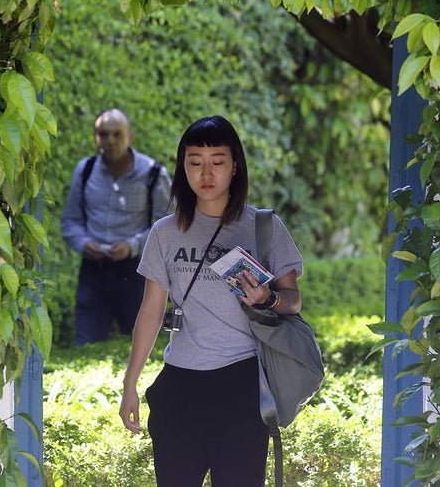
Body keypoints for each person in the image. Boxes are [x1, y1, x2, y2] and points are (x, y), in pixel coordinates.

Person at [119, 115, 305, 486]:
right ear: (182, 167)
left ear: (235, 166)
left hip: (243, 387)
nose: (206, 173)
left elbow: (294, 301)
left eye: (217, 161)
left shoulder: (263, 226)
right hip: (179, 388)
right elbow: (151, 311)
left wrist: (268, 298)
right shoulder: (165, 232)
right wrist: (130, 385)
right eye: (195, 162)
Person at [62, 108, 172, 345]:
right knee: (86, 344)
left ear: (129, 137)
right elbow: (70, 221)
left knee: (140, 346)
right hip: (93, 270)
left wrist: (132, 246)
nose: (110, 141)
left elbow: (168, 228)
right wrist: (84, 243)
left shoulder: (153, 173)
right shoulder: (85, 170)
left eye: (117, 134)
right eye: (103, 134)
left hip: (138, 271)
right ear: (96, 137)